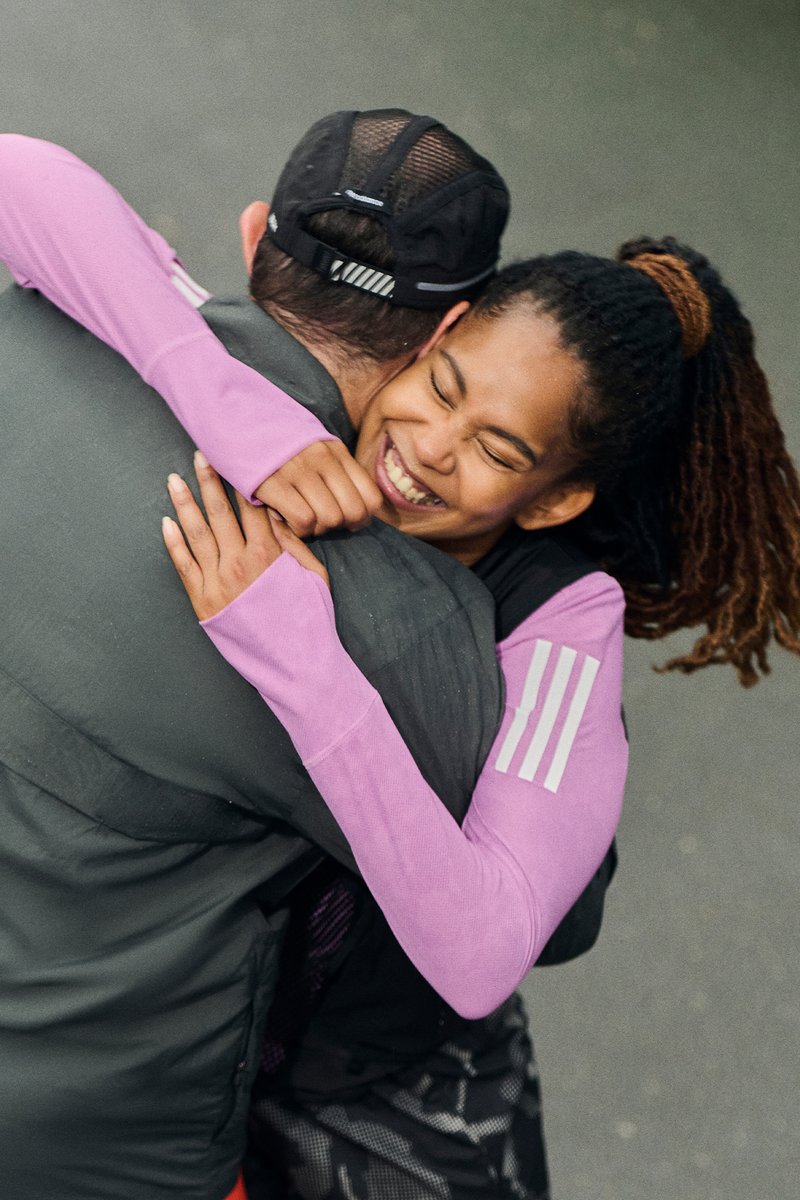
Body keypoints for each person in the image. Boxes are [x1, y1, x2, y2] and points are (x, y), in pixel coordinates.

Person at [7, 139, 799, 1197]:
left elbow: (494, 944)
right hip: (214, 1021)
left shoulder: (562, 624)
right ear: (436, 336)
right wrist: (226, 410)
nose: (428, 447)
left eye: (498, 450)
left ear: (557, 499)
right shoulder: (298, 437)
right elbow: (20, 170)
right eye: (444, 386)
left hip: (359, 1074)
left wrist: (300, 651)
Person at [0, 115, 517, 1200]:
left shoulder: (21, 332)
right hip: (91, 1146)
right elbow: (540, 908)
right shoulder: (405, 624)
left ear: (252, 236)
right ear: (448, 335)